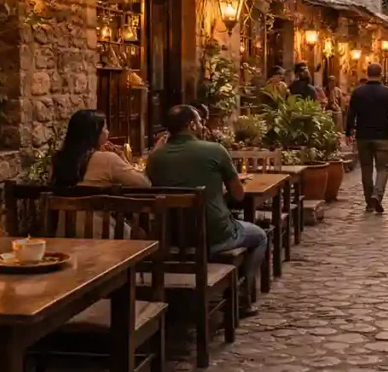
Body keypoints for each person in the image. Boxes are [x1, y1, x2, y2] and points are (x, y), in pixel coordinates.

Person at [146, 105, 266, 317]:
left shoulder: (155, 157)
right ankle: (243, 297)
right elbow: (238, 195)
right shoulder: (215, 150)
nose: (202, 126)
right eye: (200, 121)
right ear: (191, 125)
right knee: (260, 236)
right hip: (214, 235)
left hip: (172, 237)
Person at [345, 64, 388, 214]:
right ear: (381, 74)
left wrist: (348, 132)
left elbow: (351, 114)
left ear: (367, 74)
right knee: (383, 168)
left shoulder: (358, 92)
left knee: (366, 169)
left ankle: (369, 202)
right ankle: (377, 194)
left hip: (363, 136)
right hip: (382, 136)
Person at [52, 109, 150, 188]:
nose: (108, 132)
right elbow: (144, 184)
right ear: (95, 133)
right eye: (105, 128)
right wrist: (122, 157)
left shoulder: (59, 159)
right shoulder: (108, 159)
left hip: (66, 207)